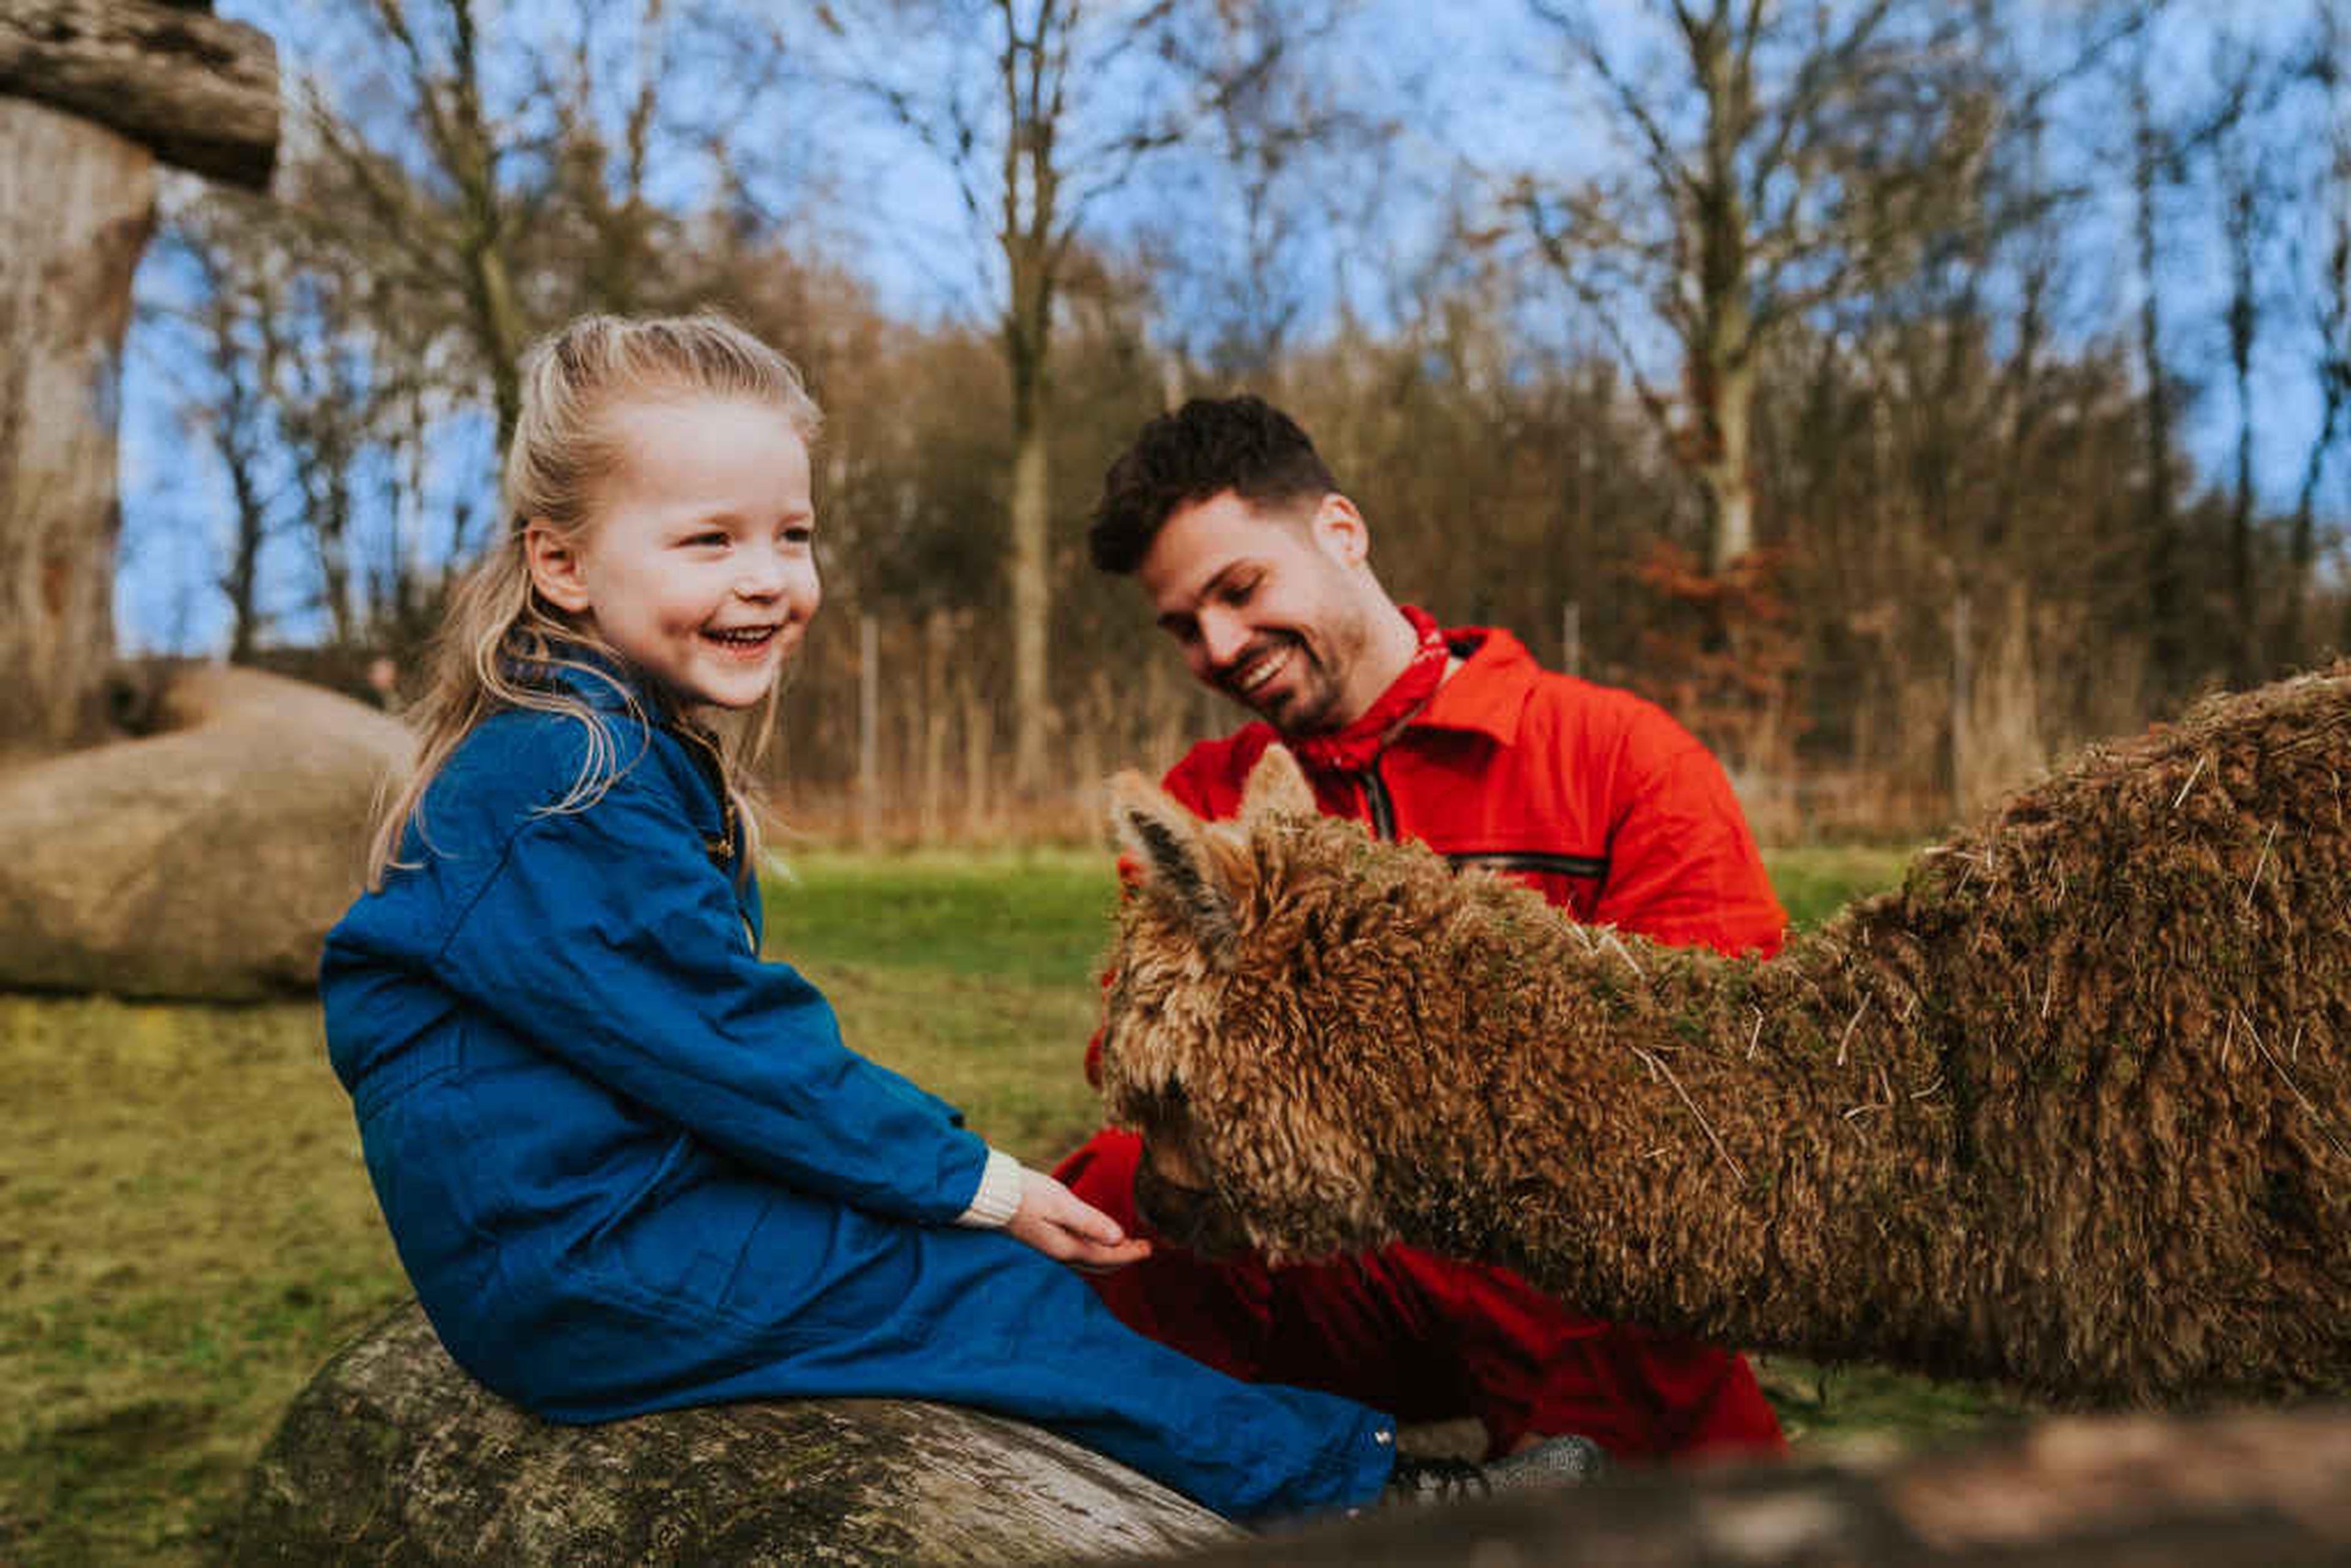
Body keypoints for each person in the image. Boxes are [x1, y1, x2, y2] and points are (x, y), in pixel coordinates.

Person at [318, 316, 1518, 1523]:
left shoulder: (600, 751)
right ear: (562, 566)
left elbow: (689, 1052)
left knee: (986, 1273)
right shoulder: (560, 776)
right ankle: (1356, 1493)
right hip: (580, 1262)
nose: (766, 577)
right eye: (707, 540)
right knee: (981, 1294)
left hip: (606, 1214)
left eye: (792, 535)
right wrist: (972, 1181)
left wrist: (932, 1187)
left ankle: (1312, 1457)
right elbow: (733, 1048)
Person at [1055, 394, 1793, 1464]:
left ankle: (1579, 1470)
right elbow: (1145, 1061)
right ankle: (1233, 1472)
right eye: (1182, 626)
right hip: (1330, 1259)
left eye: (1240, 588)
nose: (1218, 646)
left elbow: (1714, 1090)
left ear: (1341, 532)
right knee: (1128, 1187)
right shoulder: (1209, 802)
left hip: (1583, 1282)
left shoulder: (1618, 759)